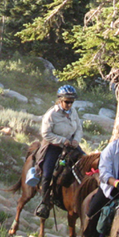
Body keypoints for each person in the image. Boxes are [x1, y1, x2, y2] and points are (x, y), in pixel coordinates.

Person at [34, 85, 84, 218]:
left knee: (86, 164)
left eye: (71, 102)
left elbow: (79, 128)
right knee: (48, 172)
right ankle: (45, 203)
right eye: (67, 101)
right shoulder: (52, 114)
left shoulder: (73, 112)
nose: (69, 104)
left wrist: (76, 140)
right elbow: (45, 133)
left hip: (71, 145)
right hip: (54, 146)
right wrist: (62, 140)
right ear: (60, 100)